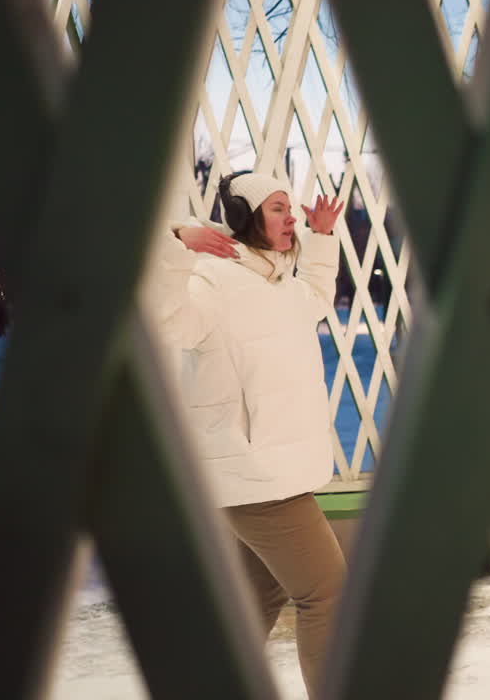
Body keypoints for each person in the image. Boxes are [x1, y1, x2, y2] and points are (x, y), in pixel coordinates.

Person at [146, 171, 346, 698]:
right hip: (250, 473)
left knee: (257, 597)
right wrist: (175, 248)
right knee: (326, 591)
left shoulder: (275, 281)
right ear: (244, 216)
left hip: (271, 472)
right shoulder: (213, 281)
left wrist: (323, 239)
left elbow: (318, 298)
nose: (292, 217)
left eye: (290, 207)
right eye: (277, 208)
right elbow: (167, 320)